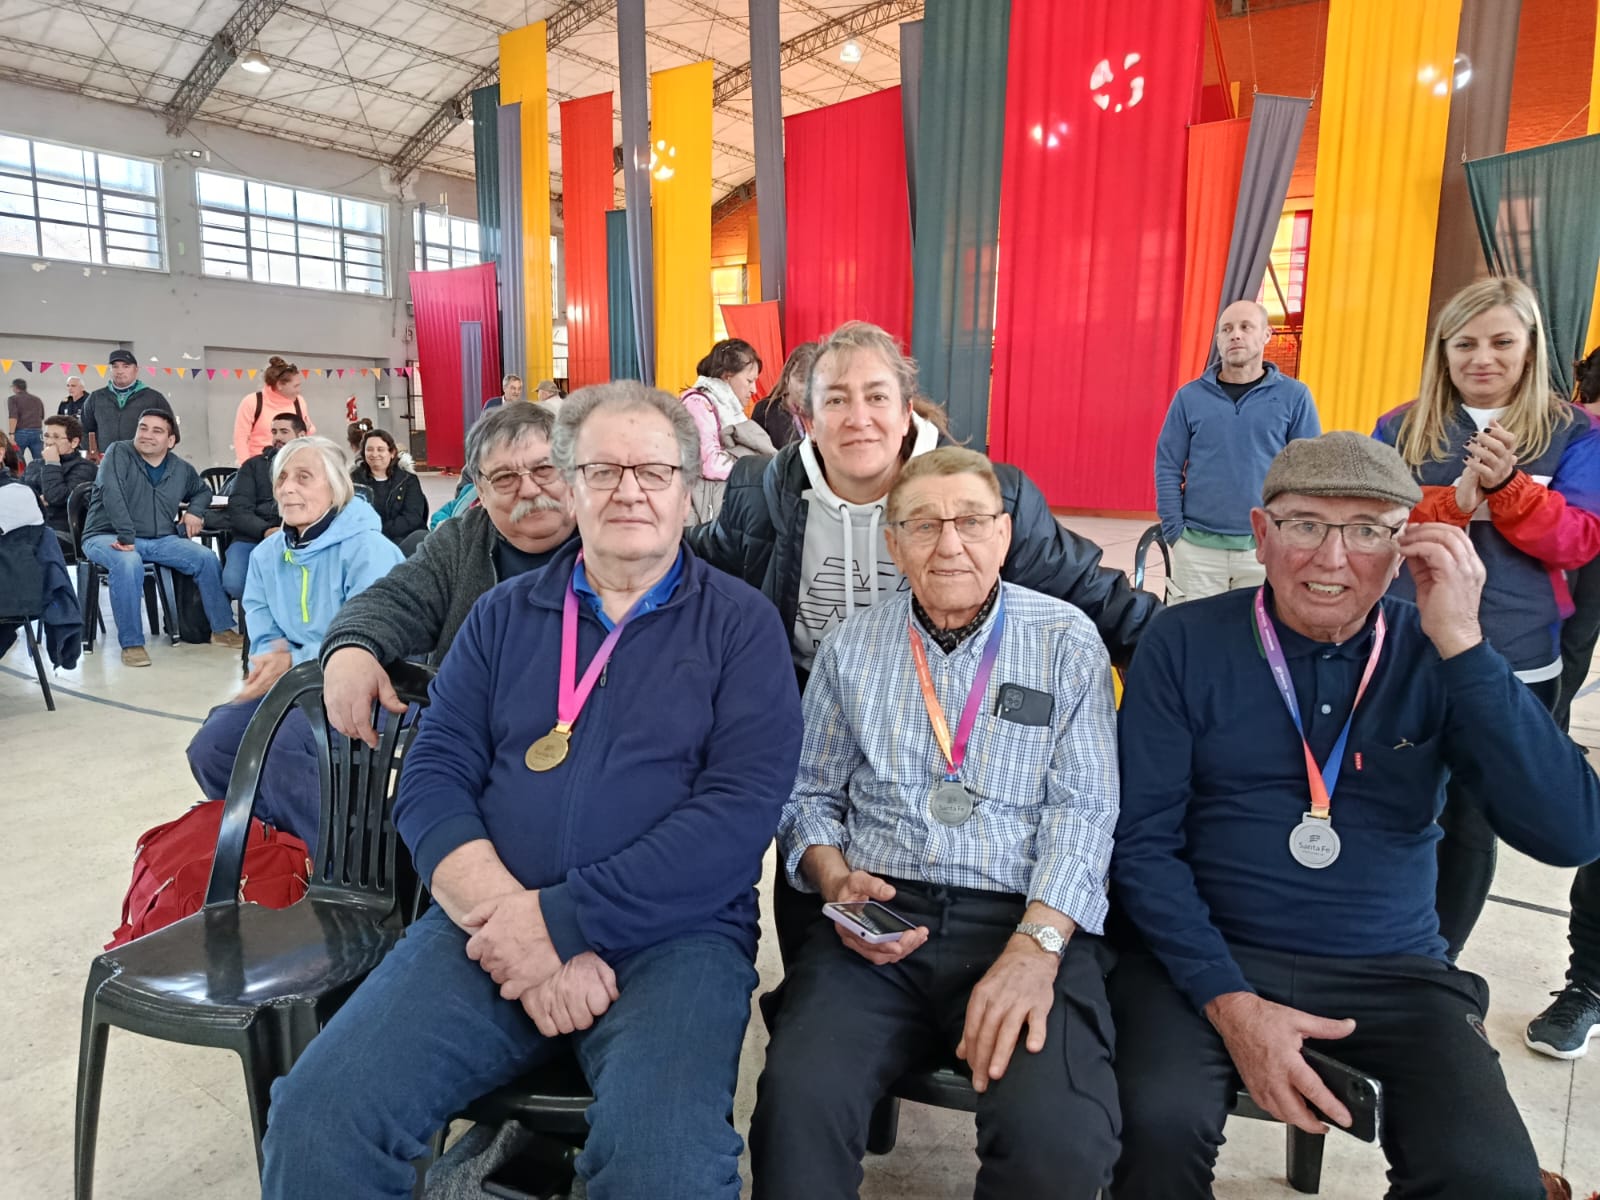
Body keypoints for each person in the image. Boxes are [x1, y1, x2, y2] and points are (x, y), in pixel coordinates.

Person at [260, 381, 803, 1200]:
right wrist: (511, 920)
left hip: (674, 940)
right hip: (486, 922)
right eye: (603, 469)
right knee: (319, 1115)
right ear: (573, 483)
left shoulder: (741, 625)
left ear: (690, 491)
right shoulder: (503, 616)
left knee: (666, 1170)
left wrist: (562, 924)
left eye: (653, 471)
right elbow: (434, 777)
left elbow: (738, 818)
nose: (628, 490)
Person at [1110, 431, 1599, 1200]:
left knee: (1488, 1178)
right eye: (1304, 524)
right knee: (1150, 1131)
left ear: (1407, 543)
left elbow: (1570, 833)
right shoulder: (1184, 641)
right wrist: (1231, 1003)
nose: (1332, 559)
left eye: (1369, 530)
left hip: (1393, 968)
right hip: (1208, 955)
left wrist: (1466, 646)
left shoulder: (1439, 649)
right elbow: (1140, 846)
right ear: (1262, 534)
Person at [688, 320, 1159, 962]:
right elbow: (693, 572)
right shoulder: (761, 498)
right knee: (819, 945)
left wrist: (1206, 665)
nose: (859, 418)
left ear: (906, 409)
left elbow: (1103, 600)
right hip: (818, 728)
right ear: (804, 418)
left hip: (950, 728)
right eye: (836, 399)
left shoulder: (985, 498)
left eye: (877, 396)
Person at [750, 448, 1120, 1200]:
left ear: (1005, 534)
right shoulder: (851, 647)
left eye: (970, 522)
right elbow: (806, 796)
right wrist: (833, 876)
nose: (949, 544)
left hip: (1023, 920)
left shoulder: (1066, 640)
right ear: (894, 541)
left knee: (1058, 1143)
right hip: (880, 916)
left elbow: (1085, 812)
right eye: (924, 524)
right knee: (796, 1107)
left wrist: (1037, 948)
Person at [1373, 278, 1600, 974]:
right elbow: (1378, 522)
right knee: (1398, 803)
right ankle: (1381, 946)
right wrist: (1453, 499)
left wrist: (1514, 492)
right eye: (1464, 343)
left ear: (1531, 348)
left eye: (1502, 341)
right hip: (1408, 648)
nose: (1483, 357)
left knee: (1471, 820)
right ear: (1442, 351)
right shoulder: (1401, 426)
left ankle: (1439, 966)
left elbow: (1580, 540)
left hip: (1516, 659)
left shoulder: (1572, 433)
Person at [185, 436, 402, 848]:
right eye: (282, 478)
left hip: (363, 684)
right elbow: (261, 617)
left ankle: (329, 859)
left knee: (285, 749)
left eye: (304, 477)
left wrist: (296, 663)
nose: (287, 488)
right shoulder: (268, 554)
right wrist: (270, 652)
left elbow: (370, 639)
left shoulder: (368, 549)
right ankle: (270, 847)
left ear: (337, 487)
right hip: (295, 683)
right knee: (212, 746)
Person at [320, 402, 578, 745]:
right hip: (467, 730)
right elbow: (392, 600)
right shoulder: (460, 541)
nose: (529, 489)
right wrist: (350, 648)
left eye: (545, 469)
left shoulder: (615, 539)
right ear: (480, 494)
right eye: (504, 478)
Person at [1155, 300, 1321, 603]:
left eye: (1246, 327)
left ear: (1266, 335)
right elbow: (1167, 466)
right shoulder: (1189, 397)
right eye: (1227, 329)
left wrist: (1290, 537)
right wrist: (1174, 533)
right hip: (1196, 549)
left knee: (1258, 641)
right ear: (1218, 340)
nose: (1235, 335)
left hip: (1264, 550)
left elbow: (1308, 474)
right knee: (1196, 640)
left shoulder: (1295, 397)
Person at [80, 409, 244, 667]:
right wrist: (126, 535)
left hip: (159, 539)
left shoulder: (181, 468)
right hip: (106, 535)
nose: (146, 435)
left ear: (170, 441)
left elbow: (202, 491)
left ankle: (222, 629)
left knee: (205, 557)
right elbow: (112, 492)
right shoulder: (118, 452)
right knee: (128, 561)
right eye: (143, 428)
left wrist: (194, 512)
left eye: (157, 431)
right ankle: (132, 643)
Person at [682, 338, 777, 521]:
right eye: (749, 381)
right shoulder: (698, 404)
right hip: (700, 510)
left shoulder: (728, 407)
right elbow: (708, 462)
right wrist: (755, 472)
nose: (754, 389)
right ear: (727, 376)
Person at [223, 410, 306, 601]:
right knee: (235, 583)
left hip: (299, 538)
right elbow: (238, 508)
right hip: (253, 537)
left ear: (301, 435)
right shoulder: (253, 466)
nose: (277, 437)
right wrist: (266, 531)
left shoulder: (315, 466)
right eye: (274, 432)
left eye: (284, 432)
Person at [81, 349, 170, 457]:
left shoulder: (154, 398)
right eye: (115, 366)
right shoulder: (96, 398)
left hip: (143, 462)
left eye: (126, 366)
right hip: (106, 462)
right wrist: (93, 453)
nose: (120, 371)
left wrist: (154, 456)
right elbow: (84, 430)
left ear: (136, 370)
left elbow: (171, 432)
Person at [350, 427, 428, 547]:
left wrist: (381, 530)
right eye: (369, 449)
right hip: (365, 540)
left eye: (380, 449)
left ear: (392, 453)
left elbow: (412, 517)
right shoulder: (354, 480)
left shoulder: (407, 480)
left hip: (403, 538)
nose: (375, 454)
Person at [22, 415, 96, 541]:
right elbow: (20, 497)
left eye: (56, 437)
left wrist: (52, 463)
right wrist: (39, 501)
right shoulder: (34, 465)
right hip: (27, 527)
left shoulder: (85, 468)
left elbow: (56, 497)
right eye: (46, 436)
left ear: (74, 442)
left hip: (61, 531)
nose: (49, 441)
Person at [233, 356, 315, 464]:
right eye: (296, 386)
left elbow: (305, 435)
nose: (299, 390)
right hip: (260, 465)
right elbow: (241, 438)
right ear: (280, 385)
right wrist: (246, 467)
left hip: (291, 462)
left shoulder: (299, 402)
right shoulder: (252, 401)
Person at [749, 341, 818, 451]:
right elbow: (755, 458)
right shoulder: (765, 411)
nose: (808, 392)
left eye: (815, 385)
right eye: (802, 381)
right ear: (787, 377)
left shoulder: (826, 412)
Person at [9, 378, 45, 462]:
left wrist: (11, 434)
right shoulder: (37, 399)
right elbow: (42, 416)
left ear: (15, 387)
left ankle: (22, 475)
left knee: (17, 461)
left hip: (21, 433)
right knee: (40, 460)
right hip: (37, 432)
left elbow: (13, 417)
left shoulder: (13, 399)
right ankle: (41, 475)